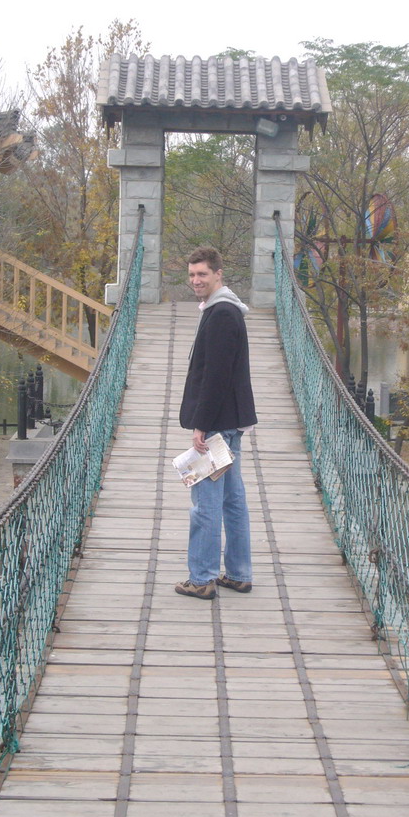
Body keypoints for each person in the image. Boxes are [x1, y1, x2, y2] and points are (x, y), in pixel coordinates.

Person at [175, 246, 257, 600]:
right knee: (233, 500)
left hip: (218, 423)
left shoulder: (222, 314)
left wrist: (200, 425)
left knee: (205, 503)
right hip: (230, 421)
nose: (196, 280)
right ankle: (238, 574)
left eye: (202, 274)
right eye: (192, 274)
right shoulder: (222, 308)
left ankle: (202, 578)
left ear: (218, 274)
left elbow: (216, 377)